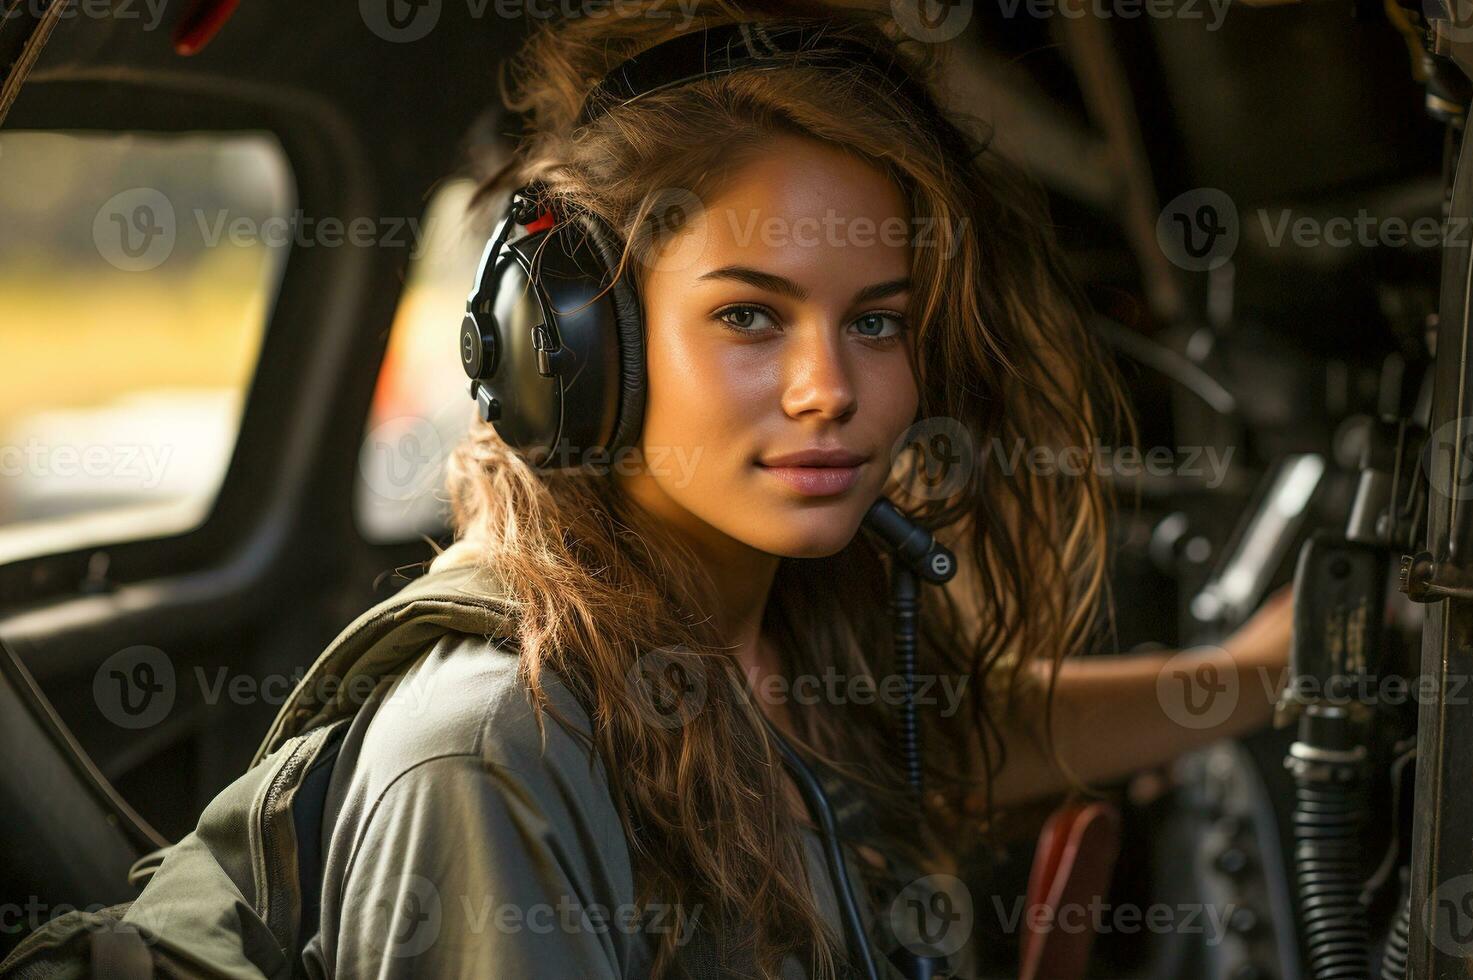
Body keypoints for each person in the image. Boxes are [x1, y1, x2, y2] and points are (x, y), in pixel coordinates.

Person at [0, 3, 1289, 979]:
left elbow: (949, 739)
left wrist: (1256, 673)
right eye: (747, 316)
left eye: (879, 325)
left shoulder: (778, 631)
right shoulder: (494, 748)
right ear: (574, 348)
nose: (826, 389)